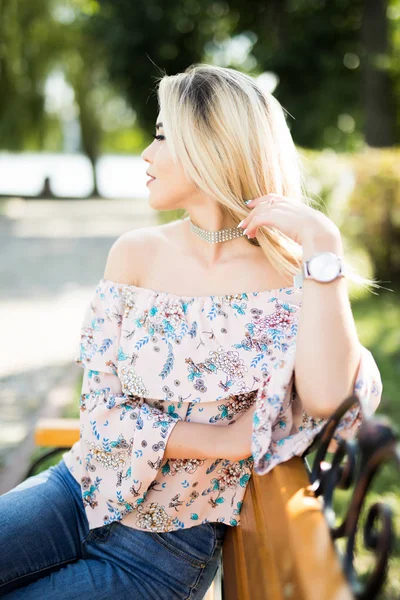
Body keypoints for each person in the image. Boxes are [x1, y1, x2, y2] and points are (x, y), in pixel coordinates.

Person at [0, 64, 383, 599]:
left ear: (212, 146)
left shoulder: (293, 281)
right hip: (73, 494)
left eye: (161, 136)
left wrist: (323, 246)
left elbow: (328, 398)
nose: (145, 154)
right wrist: (223, 441)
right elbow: (101, 410)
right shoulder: (136, 254)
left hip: (158, 555)